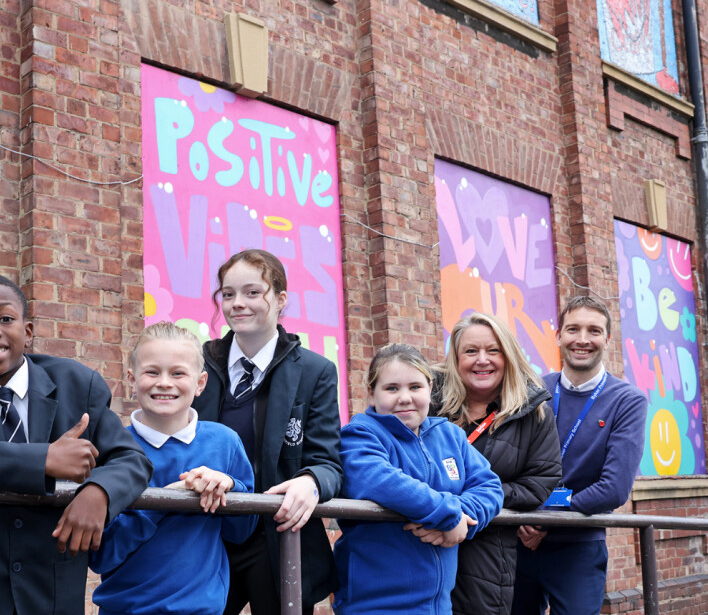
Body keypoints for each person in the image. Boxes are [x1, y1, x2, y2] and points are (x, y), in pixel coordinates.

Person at [0, 273, 153, 615]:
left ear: (27, 332)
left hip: (50, 589)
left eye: (5, 318)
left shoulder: (78, 383)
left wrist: (99, 492)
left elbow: (132, 459)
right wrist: (44, 459)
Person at [192, 248, 343, 615]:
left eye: (252, 292)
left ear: (280, 299)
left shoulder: (315, 371)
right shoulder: (197, 363)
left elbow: (328, 463)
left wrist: (311, 482)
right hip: (207, 535)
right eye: (228, 294)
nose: (237, 303)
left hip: (278, 538)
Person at [90, 321, 258, 615]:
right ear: (132, 378)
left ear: (200, 383)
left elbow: (242, 531)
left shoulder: (225, 442)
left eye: (178, 373)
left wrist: (228, 486)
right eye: (152, 372)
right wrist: (163, 499)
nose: (164, 382)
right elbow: (101, 554)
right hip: (125, 609)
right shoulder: (111, 447)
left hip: (203, 610)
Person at [333, 343, 504, 615]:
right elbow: (380, 481)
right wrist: (449, 515)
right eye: (391, 388)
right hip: (374, 607)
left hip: (439, 607)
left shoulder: (451, 435)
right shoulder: (359, 435)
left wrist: (462, 518)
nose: (404, 398)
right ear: (371, 393)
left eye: (415, 387)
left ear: (430, 388)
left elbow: (490, 486)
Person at [512, 296, 649, 615]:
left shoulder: (627, 401)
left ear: (607, 339)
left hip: (577, 546)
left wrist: (543, 518)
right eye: (573, 329)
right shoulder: (533, 390)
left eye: (594, 330)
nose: (583, 339)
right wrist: (526, 518)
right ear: (559, 335)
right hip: (518, 540)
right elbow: (509, 465)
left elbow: (613, 489)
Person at [431, 312, 562, 615]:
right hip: (424, 540)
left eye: (493, 350)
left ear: (508, 356)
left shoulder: (534, 413)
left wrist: (475, 500)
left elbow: (542, 481)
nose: (482, 360)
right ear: (456, 358)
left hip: (486, 553)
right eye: (471, 351)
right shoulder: (427, 401)